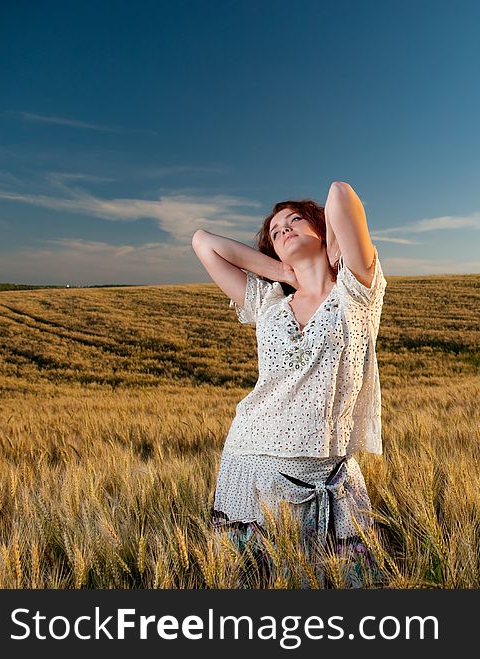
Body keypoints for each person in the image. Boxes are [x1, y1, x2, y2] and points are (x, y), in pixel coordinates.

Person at [191, 181, 387, 588]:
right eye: (275, 232)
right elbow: (203, 242)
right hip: (250, 463)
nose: (284, 229)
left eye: (295, 221)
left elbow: (341, 194)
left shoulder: (356, 291)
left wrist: (334, 240)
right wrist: (279, 271)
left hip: (327, 473)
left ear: (321, 228)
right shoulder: (268, 303)